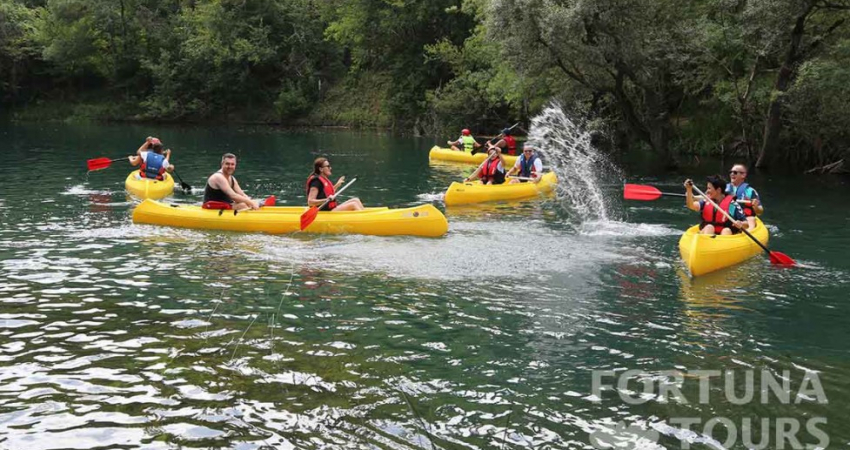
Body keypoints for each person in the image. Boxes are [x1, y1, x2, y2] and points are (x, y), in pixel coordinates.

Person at [726, 163, 763, 229]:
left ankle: (749, 232)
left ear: (743, 175)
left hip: (745, 219)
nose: (732, 174)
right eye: (730, 172)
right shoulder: (722, 188)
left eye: (735, 172)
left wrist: (756, 207)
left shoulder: (750, 191)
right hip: (727, 217)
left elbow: (760, 211)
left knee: (751, 219)